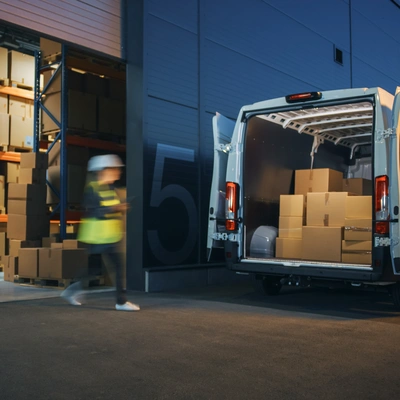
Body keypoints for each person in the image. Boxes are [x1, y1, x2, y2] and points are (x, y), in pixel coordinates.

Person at [61, 154, 140, 311]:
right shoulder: (92, 190)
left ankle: (74, 290)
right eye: (114, 169)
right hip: (98, 237)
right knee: (109, 268)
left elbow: (110, 211)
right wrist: (117, 208)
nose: (117, 172)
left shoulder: (111, 189)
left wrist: (121, 209)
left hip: (110, 236)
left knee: (98, 269)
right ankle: (120, 302)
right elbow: (94, 211)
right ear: (103, 171)